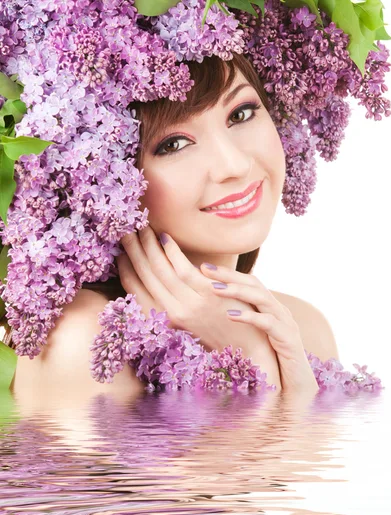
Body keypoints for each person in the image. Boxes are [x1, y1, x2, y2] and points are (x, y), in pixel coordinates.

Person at [9, 54, 339, 399]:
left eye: (240, 114)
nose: (235, 164)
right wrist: (252, 361)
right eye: (173, 144)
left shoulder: (301, 328)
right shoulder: (86, 342)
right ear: (103, 178)